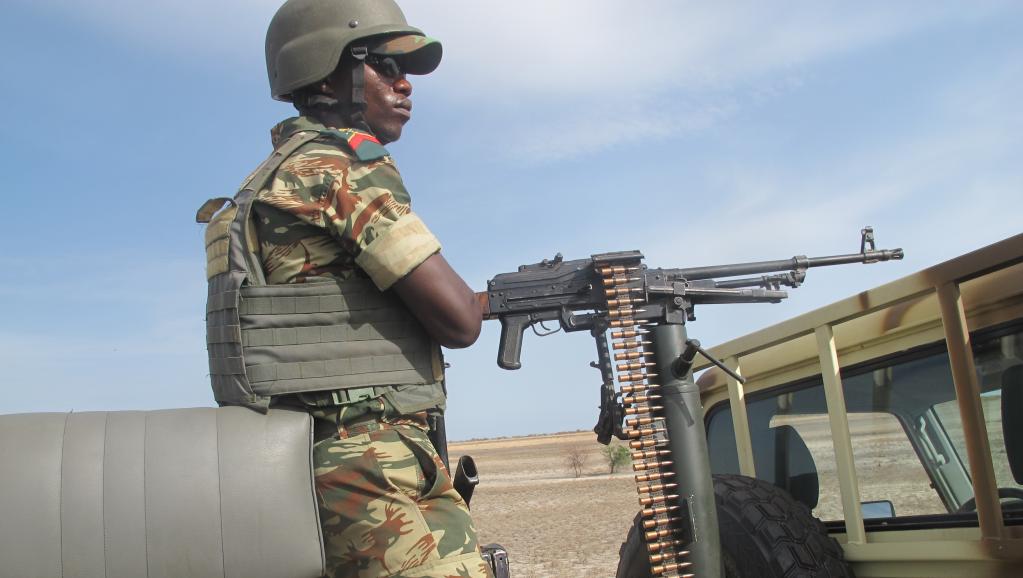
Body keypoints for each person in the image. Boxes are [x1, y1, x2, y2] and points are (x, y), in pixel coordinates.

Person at [196, 0, 492, 576]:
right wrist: (491, 305)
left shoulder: (278, 172)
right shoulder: (338, 167)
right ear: (328, 73)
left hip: (333, 455)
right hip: (371, 462)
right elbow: (459, 322)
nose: (404, 84)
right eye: (384, 65)